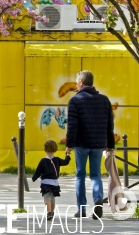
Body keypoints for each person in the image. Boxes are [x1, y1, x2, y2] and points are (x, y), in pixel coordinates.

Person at [65, 70, 115, 219]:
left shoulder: (75, 100)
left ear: (81, 83)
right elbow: (109, 125)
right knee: (95, 174)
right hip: (98, 144)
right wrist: (110, 144)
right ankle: (98, 199)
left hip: (81, 143)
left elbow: (72, 126)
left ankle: (81, 210)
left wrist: (69, 145)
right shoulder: (104, 100)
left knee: (80, 175)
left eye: (76, 83)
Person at [32, 140, 71, 221]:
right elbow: (66, 162)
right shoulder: (57, 160)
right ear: (55, 149)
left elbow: (38, 171)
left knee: (46, 198)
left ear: (45, 149)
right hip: (54, 182)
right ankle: (52, 212)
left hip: (45, 182)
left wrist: (34, 177)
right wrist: (67, 155)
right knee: (52, 198)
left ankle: (49, 212)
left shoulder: (43, 161)